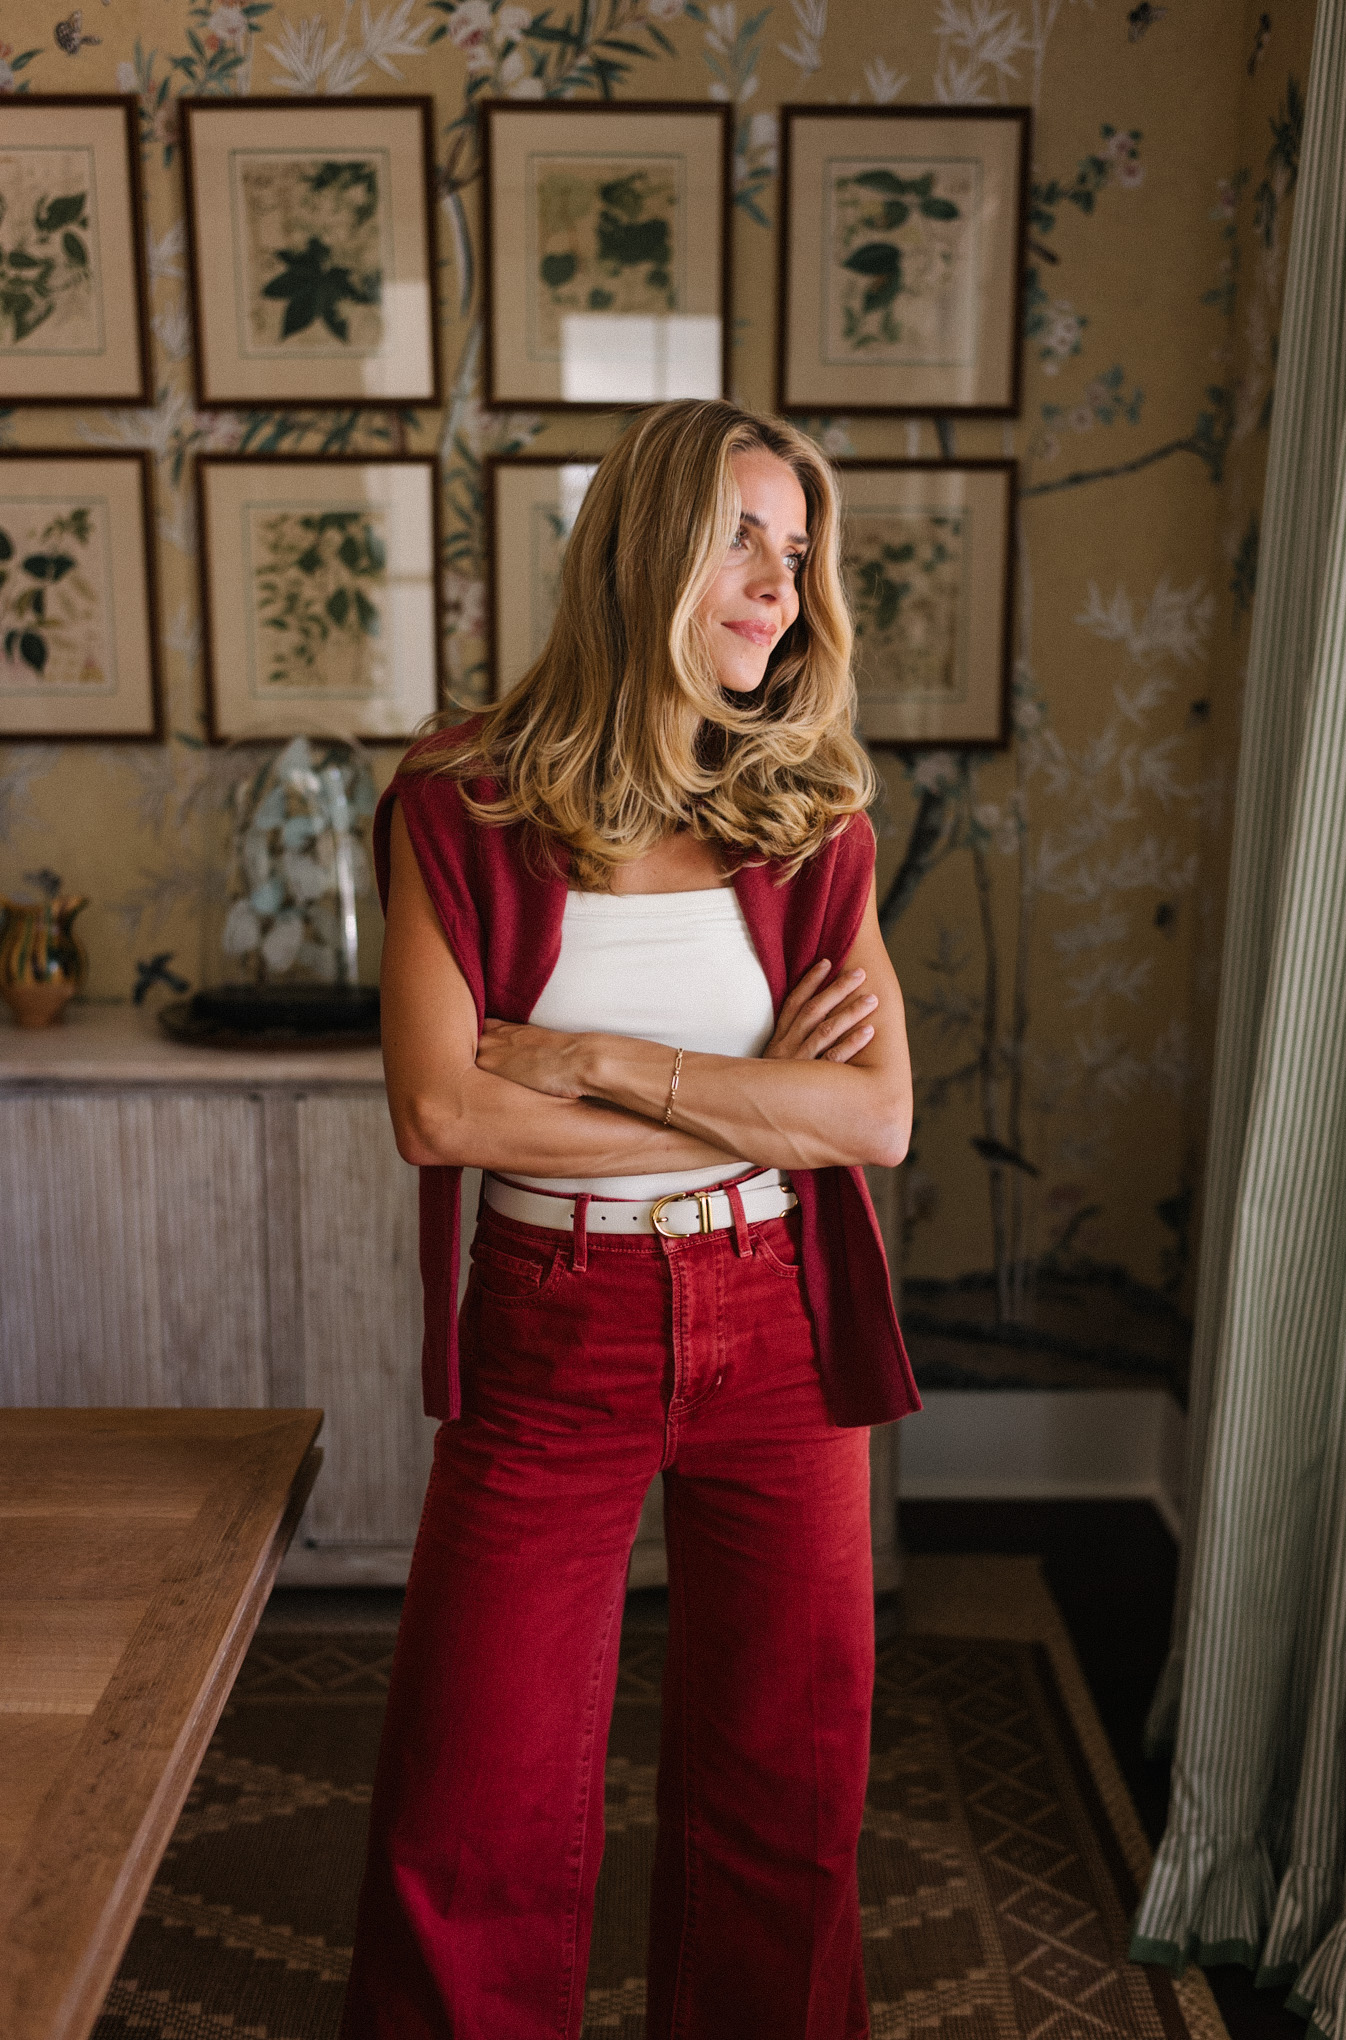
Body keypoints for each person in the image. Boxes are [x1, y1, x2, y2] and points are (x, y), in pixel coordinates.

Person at [340, 398, 920, 2040]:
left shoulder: (809, 823)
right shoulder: (462, 803)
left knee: (784, 1804)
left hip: (781, 1329)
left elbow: (869, 1121)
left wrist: (603, 1058)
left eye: (799, 555)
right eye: (743, 537)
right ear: (642, 544)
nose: (779, 587)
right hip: (553, 1321)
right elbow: (441, 1112)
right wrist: (747, 1097)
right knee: (476, 1811)